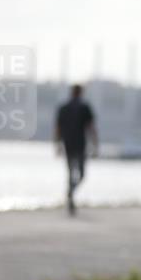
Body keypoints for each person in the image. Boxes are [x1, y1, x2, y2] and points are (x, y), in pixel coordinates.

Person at [54, 84, 97, 216]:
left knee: (70, 172)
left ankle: (70, 194)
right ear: (81, 93)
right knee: (81, 174)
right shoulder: (85, 107)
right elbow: (91, 127)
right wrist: (95, 144)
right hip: (80, 145)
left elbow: (58, 128)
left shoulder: (63, 108)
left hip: (68, 144)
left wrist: (57, 144)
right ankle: (71, 194)